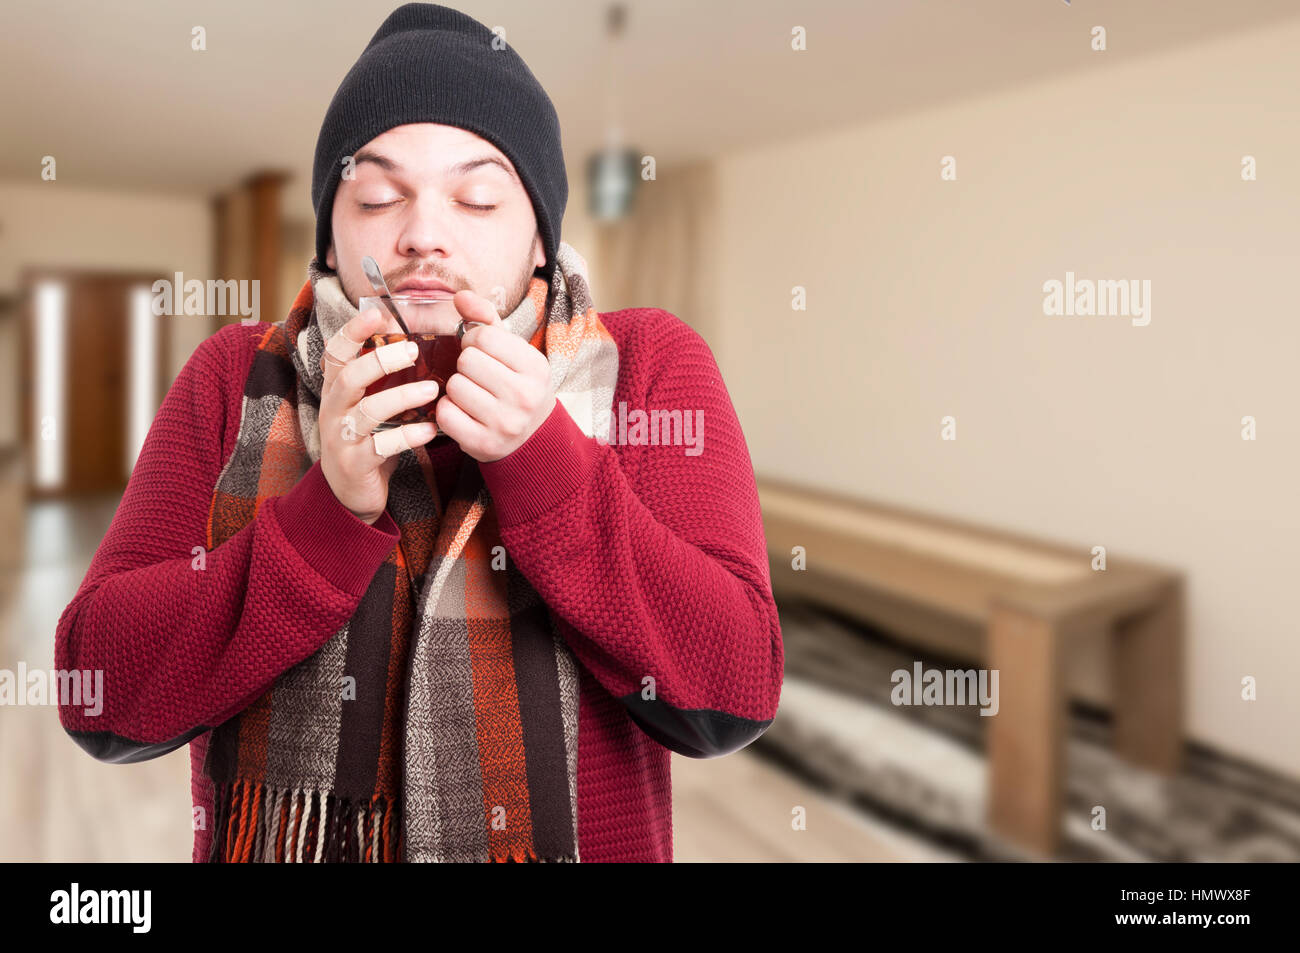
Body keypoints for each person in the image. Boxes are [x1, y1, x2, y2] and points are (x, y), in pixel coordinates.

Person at [55, 1, 783, 863]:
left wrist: (544, 464)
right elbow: (96, 694)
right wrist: (325, 512)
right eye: (375, 195)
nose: (423, 237)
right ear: (330, 234)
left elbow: (732, 692)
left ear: (541, 242)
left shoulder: (650, 365)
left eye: (477, 199)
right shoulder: (231, 377)